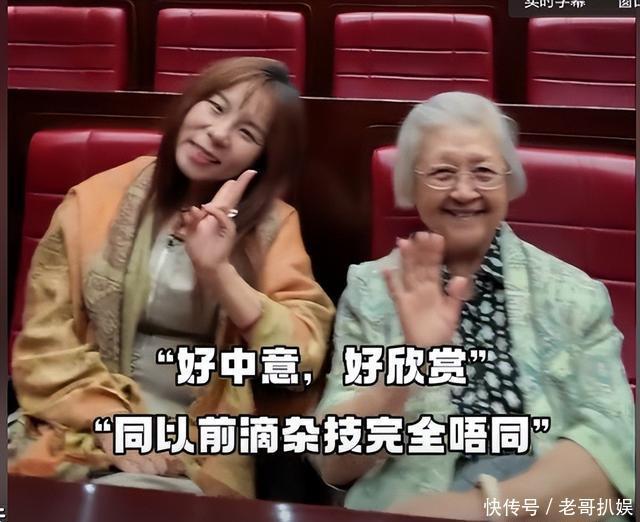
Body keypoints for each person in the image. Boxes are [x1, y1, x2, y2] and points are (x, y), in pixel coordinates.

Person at [9, 57, 335, 498]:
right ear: (189, 104)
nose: (218, 133)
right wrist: (111, 421)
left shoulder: (275, 226)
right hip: (78, 421)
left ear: (262, 158)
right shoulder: (94, 198)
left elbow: (300, 361)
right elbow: (44, 340)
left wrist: (219, 273)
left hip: (195, 447)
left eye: (247, 133)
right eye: (215, 108)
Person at [312, 92, 634, 519]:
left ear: (508, 181)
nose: (464, 191)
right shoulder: (370, 289)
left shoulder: (574, 293)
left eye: (483, 171)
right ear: (411, 184)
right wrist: (408, 364)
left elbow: (615, 444)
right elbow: (333, 461)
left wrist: (484, 508)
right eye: (442, 173)